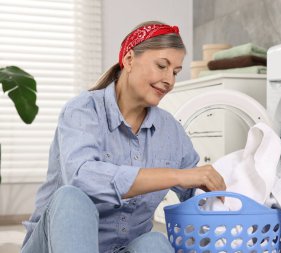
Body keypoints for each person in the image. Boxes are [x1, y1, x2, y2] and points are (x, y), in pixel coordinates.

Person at [21, 21, 226, 253]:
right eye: (161, 66)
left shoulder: (171, 132)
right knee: (71, 198)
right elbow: (81, 178)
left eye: (175, 72)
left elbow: (196, 193)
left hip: (121, 248)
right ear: (129, 60)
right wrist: (177, 176)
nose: (170, 80)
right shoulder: (83, 110)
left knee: (155, 243)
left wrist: (223, 194)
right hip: (53, 245)